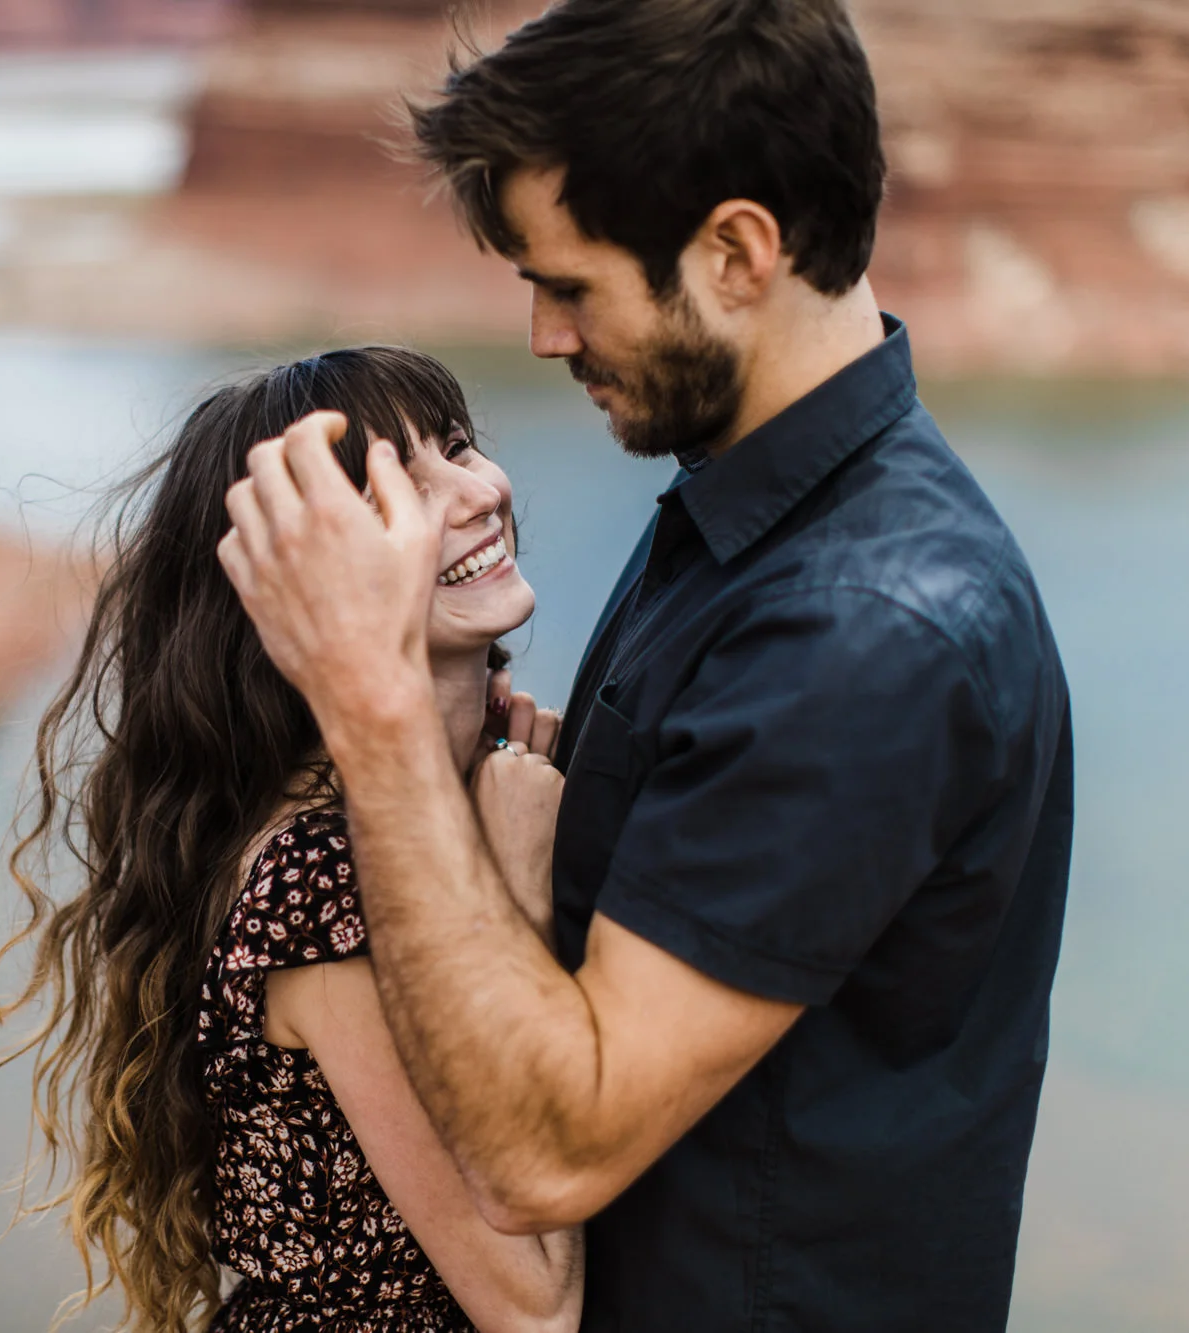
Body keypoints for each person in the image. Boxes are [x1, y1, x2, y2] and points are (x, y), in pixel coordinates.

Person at [215, 2, 1074, 1331]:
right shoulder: (740, 509)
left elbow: (548, 1151)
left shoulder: (857, 630)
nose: (549, 338)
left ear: (737, 251)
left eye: (571, 285)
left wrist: (371, 700)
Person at [0, 347, 582, 1333]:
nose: (474, 493)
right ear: (292, 592)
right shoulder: (322, 886)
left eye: (456, 447)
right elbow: (532, 1307)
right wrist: (522, 908)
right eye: (394, 489)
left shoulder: (462, 798)